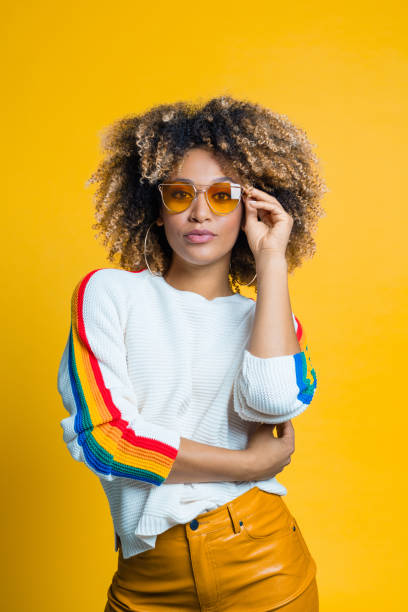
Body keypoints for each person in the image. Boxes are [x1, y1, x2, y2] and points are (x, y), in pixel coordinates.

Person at [57, 95, 327, 611]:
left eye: (224, 196)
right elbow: (106, 443)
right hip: (147, 572)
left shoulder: (273, 321)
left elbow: (273, 401)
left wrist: (272, 259)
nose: (200, 211)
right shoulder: (109, 293)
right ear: (155, 209)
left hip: (263, 561)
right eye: (179, 193)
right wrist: (248, 465)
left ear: (249, 209)